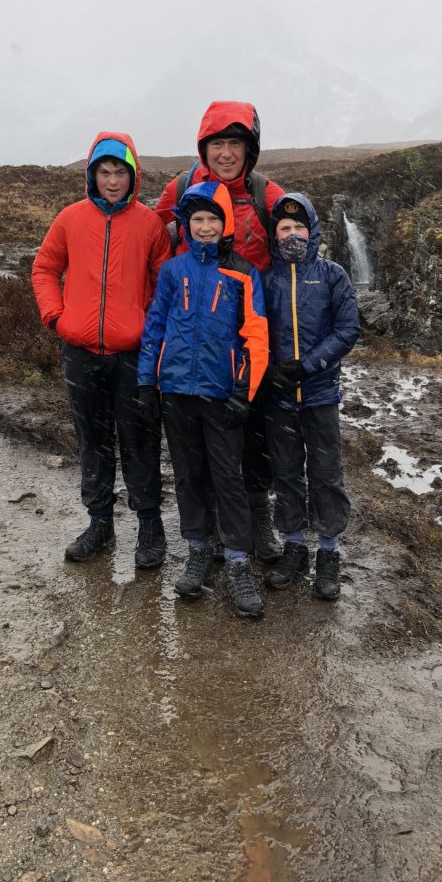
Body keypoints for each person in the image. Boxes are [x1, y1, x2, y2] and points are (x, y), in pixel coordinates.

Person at [31, 132, 171, 567]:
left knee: (140, 439)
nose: (112, 181)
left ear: (133, 176)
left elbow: (165, 284)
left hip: (133, 355)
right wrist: (57, 317)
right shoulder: (70, 219)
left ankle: (149, 525)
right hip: (81, 352)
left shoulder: (149, 224)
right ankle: (100, 524)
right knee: (92, 441)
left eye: (120, 173)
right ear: (92, 175)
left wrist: (149, 329)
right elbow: (44, 268)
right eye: (105, 172)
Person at [155, 101, 284, 561]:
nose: (226, 153)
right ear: (203, 148)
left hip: (253, 329)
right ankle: (205, 530)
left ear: (249, 149)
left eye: (235, 143)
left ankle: (257, 517)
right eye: (217, 144)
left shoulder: (267, 193)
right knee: (203, 439)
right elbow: (154, 241)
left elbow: (296, 238)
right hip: (199, 332)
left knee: (255, 432)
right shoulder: (183, 188)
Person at [138, 181, 269, 618]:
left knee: (228, 478)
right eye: (198, 219)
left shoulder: (244, 273)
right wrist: (145, 382)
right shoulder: (174, 271)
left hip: (221, 394)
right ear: (187, 224)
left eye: (214, 218)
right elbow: (156, 325)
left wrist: (243, 391)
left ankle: (236, 561)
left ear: (226, 221)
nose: (206, 226)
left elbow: (256, 335)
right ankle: (198, 548)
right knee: (189, 475)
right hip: (176, 391)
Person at [261, 192, 361, 600]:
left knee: (326, 475)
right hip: (278, 399)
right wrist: (271, 371)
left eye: (299, 227)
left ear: (313, 229)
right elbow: (252, 331)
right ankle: (294, 545)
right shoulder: (265, 278)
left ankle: (329, 552)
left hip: (319, 395)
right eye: (284, 228)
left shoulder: (333, 274)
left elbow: (347, 330)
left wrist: (309, 365)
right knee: (285, 475)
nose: (292, 234)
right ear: (275, 233)